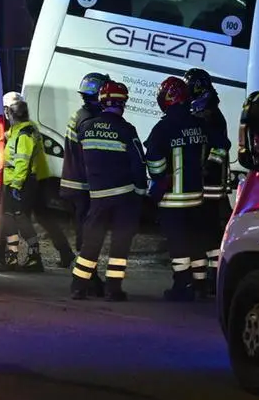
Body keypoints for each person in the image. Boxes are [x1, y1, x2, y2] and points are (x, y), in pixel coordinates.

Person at [70, 81, 146, 302]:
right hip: (124, 197)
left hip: (97, 197)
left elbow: (79, 162)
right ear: (122, 103)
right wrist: (141, 192)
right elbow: (138, 163)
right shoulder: (126, 129)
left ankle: (78, 287)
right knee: (120, 245)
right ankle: (114, 290)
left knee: (90, 243)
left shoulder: (86, 127)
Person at [145, 76, 212, 302]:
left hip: (173, 199)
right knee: (196, 243)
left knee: (178, 245)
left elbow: (153, 158)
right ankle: (201, 285)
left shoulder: (164, 127)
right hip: (197, 197)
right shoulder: (199, 124)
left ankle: (182, 286)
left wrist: (159, 177)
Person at [59, 72, 111, 294]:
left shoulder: (80, 115)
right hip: (85, 186)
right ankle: (85, 281)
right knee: (89, 233)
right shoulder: (90, 120)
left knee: (86, 231)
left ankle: (89, 279)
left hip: (75, 185)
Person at [183, 68, 231, 298]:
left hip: (210, 185)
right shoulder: (202, 108)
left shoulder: (210, 113)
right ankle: (207, 278)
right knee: (205, 231)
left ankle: (212, 278)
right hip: (205, 183)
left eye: (189, 85)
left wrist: (208, 167)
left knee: (209, 232)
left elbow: (221, 146)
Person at [0, 91, 48, 272]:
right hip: (15, 182)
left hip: (21, 183)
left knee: (21, 219)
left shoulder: (24, 134)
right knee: (9, 218)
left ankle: (34, 257)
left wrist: (16, 186)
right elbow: (10, 136)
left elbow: (22, 162)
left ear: (8, 111)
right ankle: (12, 256)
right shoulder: (22, 129)